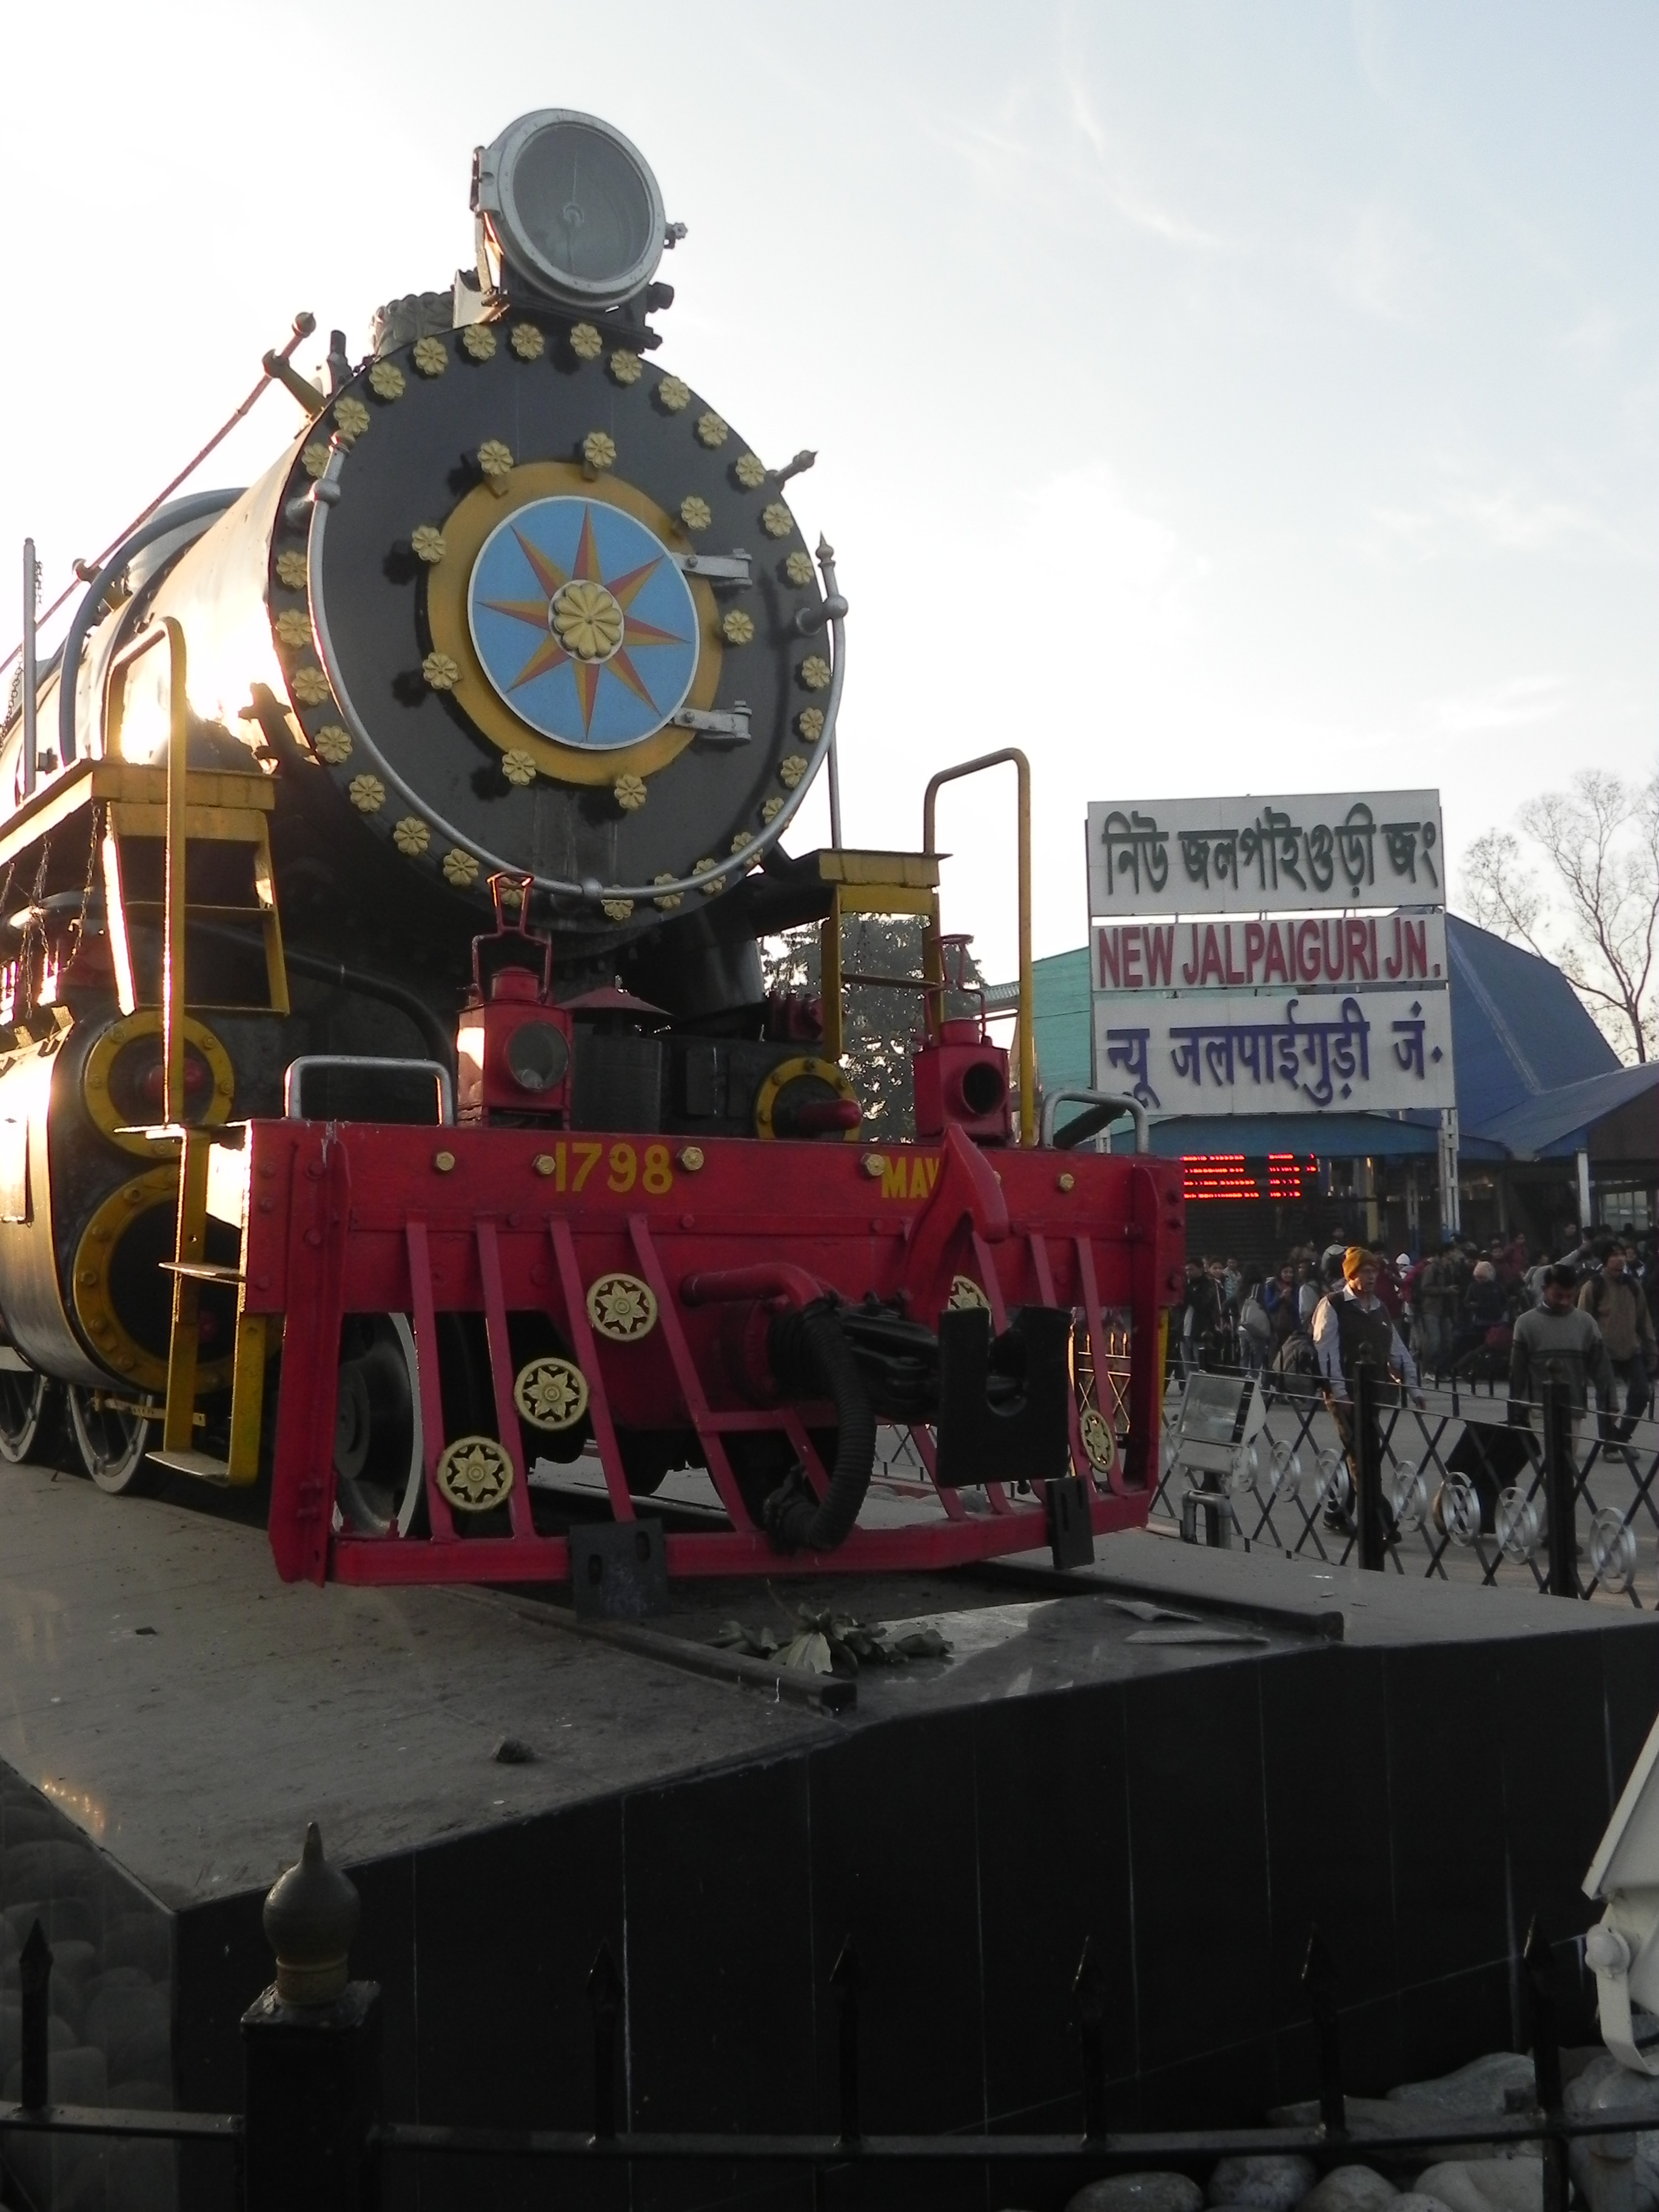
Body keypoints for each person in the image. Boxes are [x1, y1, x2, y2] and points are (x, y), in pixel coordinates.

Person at [1312, 1248, 1424, 1533]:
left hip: (1373, 1391)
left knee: (1362, 1453)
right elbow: (1326, 1354)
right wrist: (1340, 1393)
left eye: (1374, 1271)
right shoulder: (1334, 1304)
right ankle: (1381, 1520)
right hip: (1346, 1391)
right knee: (1362, 1457)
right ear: (1352, 1274)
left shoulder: (1380, 1307)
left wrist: (1413, 1388)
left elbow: (1396, 1349)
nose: (1372, 1276)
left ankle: (1337, 1513)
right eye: (1366, 1271)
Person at [1509, 1264, 1619, 1426]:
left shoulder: (1586, 1323)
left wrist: (1612, 1404)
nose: (1565, 1301)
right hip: (1537, 1408)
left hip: (1573, 1408)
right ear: (1544, 1289)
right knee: (1548, 1450)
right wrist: (1515, 1410)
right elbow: (1517, 1370)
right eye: (1558, 1295)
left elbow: (1602, 1368)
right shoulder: (1526, 1323)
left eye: (1570, 1295)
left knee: (1568, 1452)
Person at [1579, 1243, 1655, 1443]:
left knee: (1641, 1394)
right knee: (1606, 1398)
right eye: (1614, 1255)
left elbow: (1643, 1320)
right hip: (1603, 1351)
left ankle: (1622, 1437)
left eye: (1622, 1254)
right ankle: (1609, 1444)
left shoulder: (1632, 1285)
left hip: (1631, 1349)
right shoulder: (1594, 1285)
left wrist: (1653, 1350)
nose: (1620, 1258)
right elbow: (1582, 1320)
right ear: (1605, 1260)